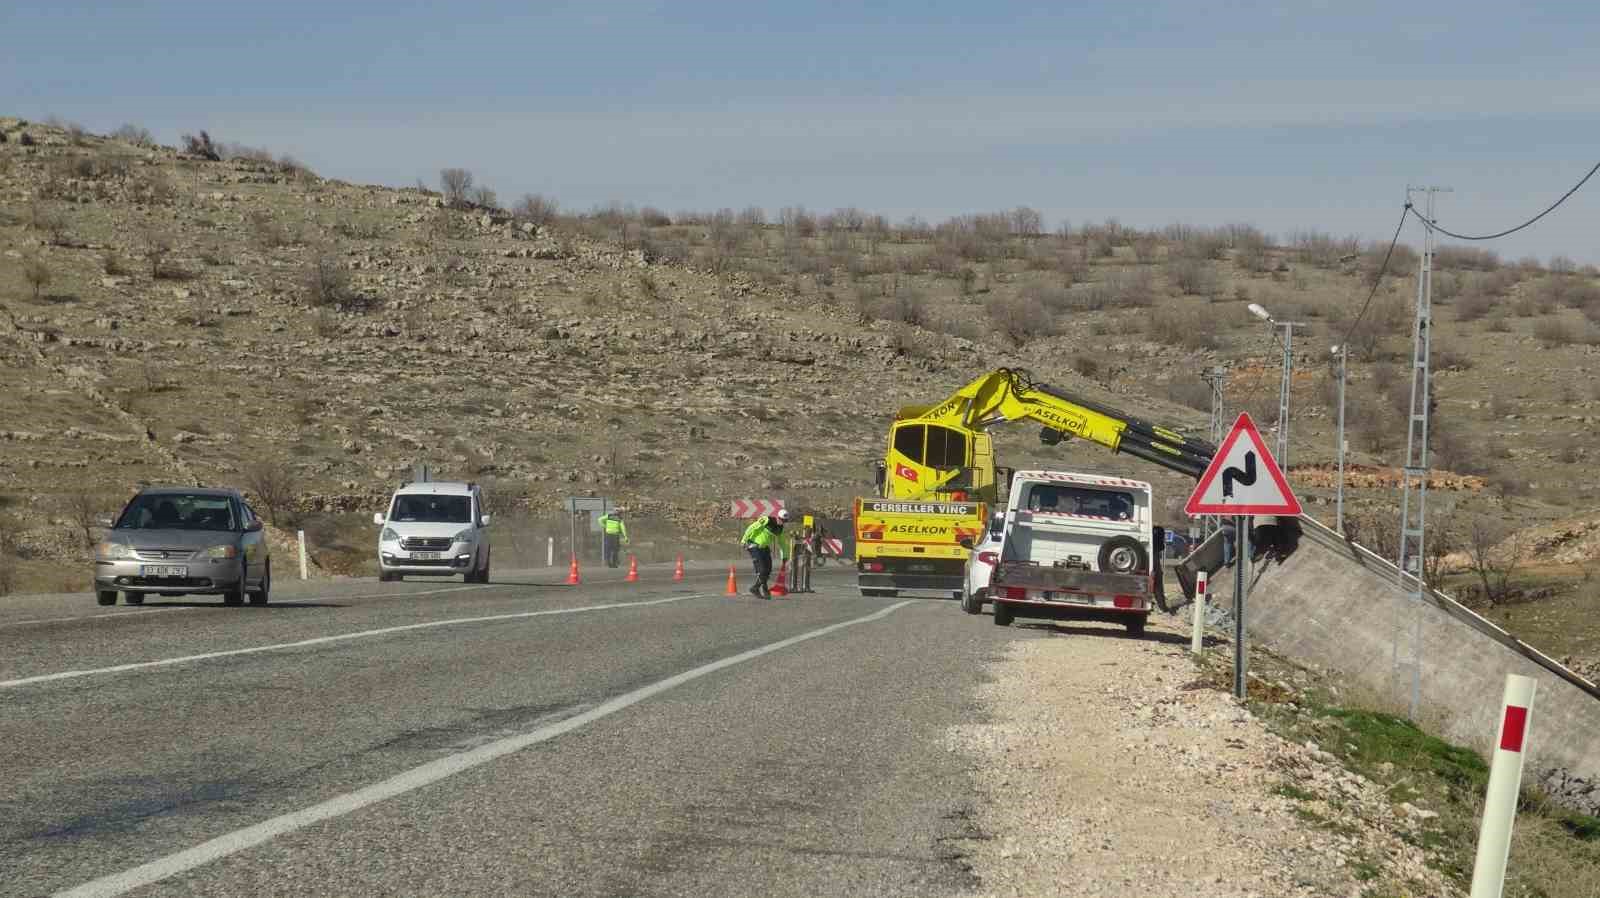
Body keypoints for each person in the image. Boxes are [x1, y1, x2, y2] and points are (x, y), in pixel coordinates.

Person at [740, 509, 791, 599]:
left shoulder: (780, 529)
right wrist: (744, 539)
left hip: (765, 548)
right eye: (781, 520)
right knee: (762, 570)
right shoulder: (767, 520)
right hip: (754, 545)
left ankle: (758, 588)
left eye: (785, 521)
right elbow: (752, 527)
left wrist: (785, 556)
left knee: (768, 570)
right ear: (778, 517)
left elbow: (782, 543)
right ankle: (761, 588)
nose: (782, 522)